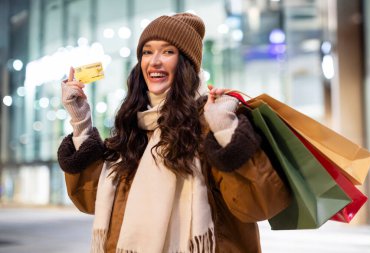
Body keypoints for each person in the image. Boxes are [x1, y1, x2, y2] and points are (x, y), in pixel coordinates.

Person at [58, 13, 291, 253]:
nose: (154, 61)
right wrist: (80, 121)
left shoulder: (209, 122)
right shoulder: (133, 130)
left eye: (168, 52)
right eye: (147, 52)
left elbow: (260, 204)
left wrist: (225, 129)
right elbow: (90, 199)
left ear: (186, 63)